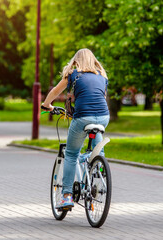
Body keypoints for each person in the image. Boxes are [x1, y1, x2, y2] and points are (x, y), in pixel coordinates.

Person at [41, 48, 109, 208]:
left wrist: (46, 105)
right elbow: (100, 96)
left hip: (83, 117)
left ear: (76, 60)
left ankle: (66, 196)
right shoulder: (102, 75)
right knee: (97, 152)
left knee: (71, 154)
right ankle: (95, 172)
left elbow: (56, 91)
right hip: (104, 117)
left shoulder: (73, 74)